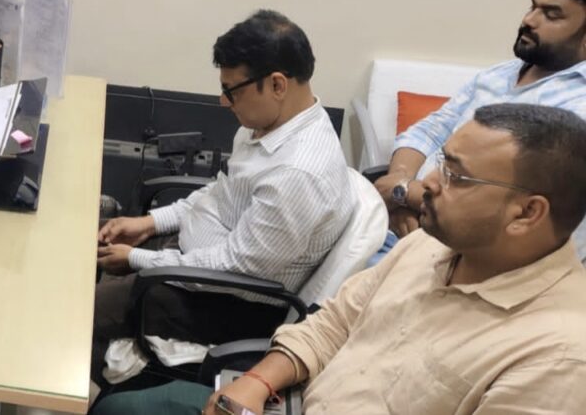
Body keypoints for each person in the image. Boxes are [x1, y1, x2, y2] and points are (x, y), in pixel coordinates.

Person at [95, 103, 586, 415]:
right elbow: (334, 322)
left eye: (457, 176)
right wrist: (258, 381)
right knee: (121, 410)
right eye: (441, 163)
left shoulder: (559, 359)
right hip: (291, 400)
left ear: (527, 213)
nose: (427, 184)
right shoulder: (431, 246)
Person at [92, 10, 357, 384]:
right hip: (188, 261)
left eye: (232, 90)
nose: (223, 101)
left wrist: (138, 259)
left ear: (277, 85)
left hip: (218, 300)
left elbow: (234, 269)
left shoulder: (298, 175)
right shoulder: (265, 126)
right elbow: (219, 193)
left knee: (79, 308)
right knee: (81, 238)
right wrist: (150, 223)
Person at [373, 0, 586, 259]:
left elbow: (500, 206)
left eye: (551, 15)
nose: (529, 20)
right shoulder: (501, 73)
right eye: (533, 6)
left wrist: (404, 192)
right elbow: (431, 130)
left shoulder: (578, 109)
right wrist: (399, 183)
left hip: (469, 259)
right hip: (405, 227)